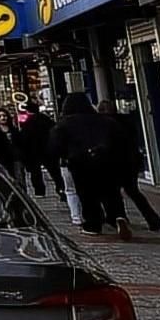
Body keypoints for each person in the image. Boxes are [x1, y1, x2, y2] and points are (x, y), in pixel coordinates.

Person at [49, 93, 132, 239]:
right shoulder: (105, 121)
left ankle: (93, 225)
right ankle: (118, 216)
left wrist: (65, 157)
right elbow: (121, 141)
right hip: (107, 161)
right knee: (111, 192)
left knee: (87, 195)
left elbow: (55, 146)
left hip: (80, 163)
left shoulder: (64, 124)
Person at [97, 100, 160, 231]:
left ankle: (119, 218)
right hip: (129, 162)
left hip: (110, 163)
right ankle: (152, 219)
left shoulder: (102, 125)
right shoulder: (126, 121)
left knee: (112, 193)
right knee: (133, 192)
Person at [16, 106, 66, 197]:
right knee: (55, 172)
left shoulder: (27, 123)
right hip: (48, 150)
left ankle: (39, 191)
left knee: (36, 172)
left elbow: (23, 138)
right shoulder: (45, 120)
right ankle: (61, 189)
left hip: (33, 151)